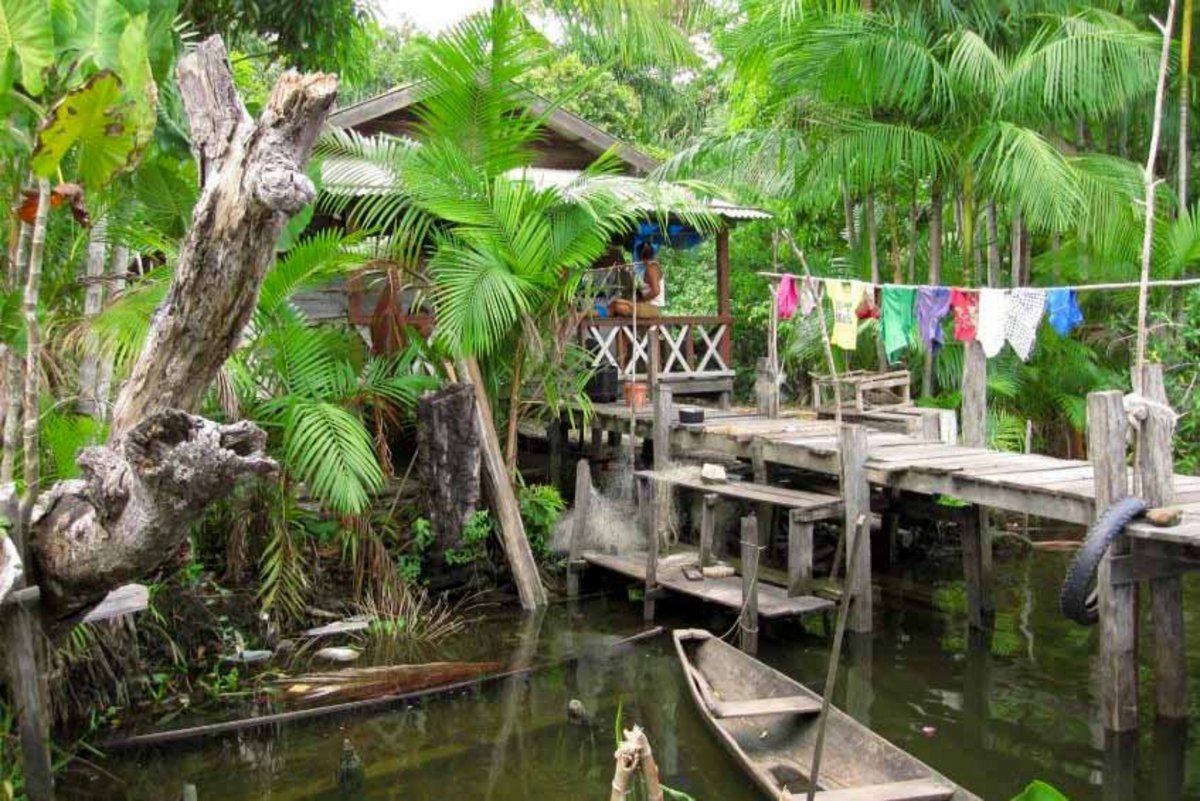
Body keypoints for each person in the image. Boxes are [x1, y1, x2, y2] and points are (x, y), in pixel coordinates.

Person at [608, 241, 664, 318]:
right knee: (615, 303)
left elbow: (656, 291)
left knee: (617, 306)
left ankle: (597, 314)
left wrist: (641, 300)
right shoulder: (647, 268)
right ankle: (601, 314)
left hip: (652, 308)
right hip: (646, 306)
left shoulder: (652, 268)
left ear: (639, 255)